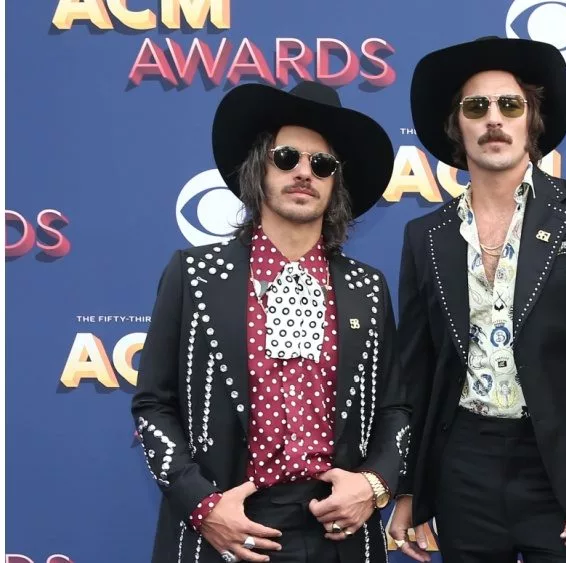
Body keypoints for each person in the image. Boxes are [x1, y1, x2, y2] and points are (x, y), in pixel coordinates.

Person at [388, 36, 566, 562]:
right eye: (476, 107)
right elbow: (416, 371)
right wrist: (410, 490)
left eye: (510, 105)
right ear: (455, 126)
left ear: (532, 121)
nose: (493, 120)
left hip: (563, 467)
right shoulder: (427, 235)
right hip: (464, 465)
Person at [131, 80, 409, 563]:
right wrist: (202, 505)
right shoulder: (193, 275)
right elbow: (154, 403)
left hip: (337, 529)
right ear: (259, 168)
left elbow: (395, 407)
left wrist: (373, 484)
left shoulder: (368, 288)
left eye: (322, 165)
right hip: (225, 525)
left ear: (336, 183)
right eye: (287, 158)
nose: (304, 172)